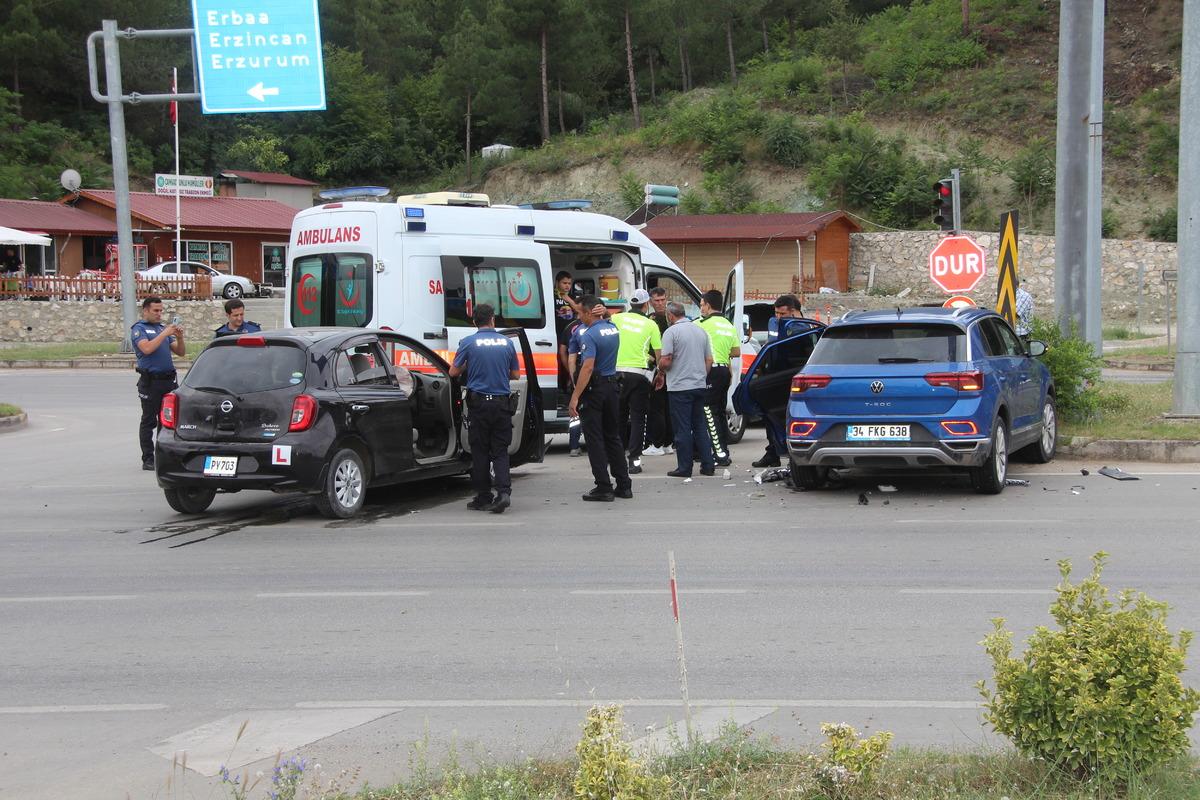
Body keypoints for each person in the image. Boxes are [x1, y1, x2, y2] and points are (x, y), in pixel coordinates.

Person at [448, 303, 521, 513]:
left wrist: (471, 368)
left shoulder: (468, 343)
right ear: (492, 319)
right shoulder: (507, 343)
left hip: (479, 404)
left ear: (474, 321)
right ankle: (504, 493)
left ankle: (483, 496)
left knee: (479, 451)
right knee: (500, 451)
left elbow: (453, 372)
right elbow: (515, 375)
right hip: (501, 404)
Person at [568, 294, 632, 502]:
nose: (579, 317)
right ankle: (624, 485)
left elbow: (587, 368)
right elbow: (608, 320)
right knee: (613, 436)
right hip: (612, 386)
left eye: (580, 312)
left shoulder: (589, 335)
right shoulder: (612, 329)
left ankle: (603, 486)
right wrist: (604, 312)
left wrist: (575, 397)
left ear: (588, 312)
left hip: (595, 390)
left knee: (595, 439)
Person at [658, 300, 714, 478]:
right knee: (699, 426)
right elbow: (709, 360)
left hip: (679, 387)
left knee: (682, 428)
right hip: (699, 385)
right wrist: (701, 376)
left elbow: (666, 360)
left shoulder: (671, 332)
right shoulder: (700, 330)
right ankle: (708, 465)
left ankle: (684, 467)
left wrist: (659, 369)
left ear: (670, 316)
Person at [611, 289, 661, 474]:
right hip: (638, 375)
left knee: (618, 418)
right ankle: (634, 461)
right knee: (638, 418)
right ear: (646, 304)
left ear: (630, 304)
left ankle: (615, 458)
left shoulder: (616, 318)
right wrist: (659, 371)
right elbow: (659, 355)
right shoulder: (651, 324)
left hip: (615, 373)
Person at [132, 296, 185, 470]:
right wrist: (164, 334)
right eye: (155, 310)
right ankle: (148, 458)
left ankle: (166, 456)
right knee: (149, 421)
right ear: (145, 310)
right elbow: (146, 349)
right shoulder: (139, 329)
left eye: (161, 310)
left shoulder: (162, 328)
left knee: (169, 421)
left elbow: (181, 352)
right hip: (151, 382)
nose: (159, 314)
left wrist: (180, 337)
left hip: (168, 381)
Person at [755, 294, 807, 468]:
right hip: (773, 376)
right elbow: (770, 347)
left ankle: (794, 456)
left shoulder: (805, 329)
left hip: (794, 379)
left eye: (782, 313)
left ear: (793, 312)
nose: (778, 317)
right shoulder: (774, 324)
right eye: (776, 313)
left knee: (791, 419)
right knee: (770, 416)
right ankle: (772, 452)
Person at [695, 289, 739, 468]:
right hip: (723, 372)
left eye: (701, 305)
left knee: (708, 413)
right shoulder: (728, 324)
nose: (701, 309)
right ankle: (723, 451)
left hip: (709, 371)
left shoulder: (701, 324)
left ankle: (719, 454)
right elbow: (736, 352)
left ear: (708, 305)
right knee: (719, 413)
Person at [644, 286, 673, 456]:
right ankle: (667, 443)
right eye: (657, 300)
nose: (661, 303)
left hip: (661, 368)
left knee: (659, 408)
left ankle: (658, 443)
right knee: (664, 408)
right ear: (650, 301)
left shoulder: (653, 321)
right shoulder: (670, 319)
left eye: (663, 300)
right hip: (667, 368)